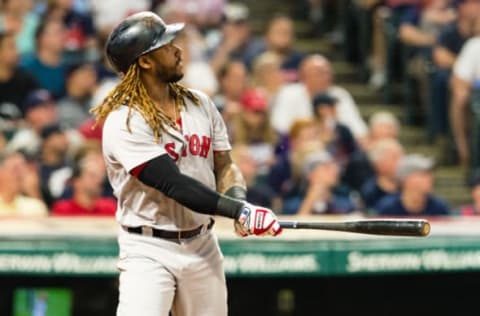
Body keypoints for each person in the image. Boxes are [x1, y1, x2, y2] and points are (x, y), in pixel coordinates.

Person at [89, 12, 282, 316]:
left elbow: (224, 166)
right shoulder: (124, 121)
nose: (178, 49)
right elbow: (174, 184)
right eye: (166, 45)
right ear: (145, 62)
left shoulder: (200, 104)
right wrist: (239, 211)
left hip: (202, 244)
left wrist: (239, 202)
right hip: (148, 248)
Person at [270, 54, 368, 143]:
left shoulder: (339, 95)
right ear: (304, 76)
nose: (326, 77)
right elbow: (279, 127)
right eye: (320, 73)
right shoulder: (289, 93)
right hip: (298, 147)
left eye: (328, 73)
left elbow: (359, 131)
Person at [375, 154, 450, 216]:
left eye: (430, 174)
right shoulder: (387, 208)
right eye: (423, 174)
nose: (431, 178)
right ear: (407, 179)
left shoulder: (439, 208)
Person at [51, 152, 116, 216]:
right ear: (77, 181)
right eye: (92, 176)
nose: (99, 180)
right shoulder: (62, 210)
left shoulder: (109, 208)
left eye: (100, 176)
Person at [361, 139, 404, 211]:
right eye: (395, 157)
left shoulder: (408, 186)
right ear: (378, 163)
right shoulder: (369, 191)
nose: (402, 161)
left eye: (402, 156)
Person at [0, 151, 48, 217]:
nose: (20, 175)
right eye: (15, 169)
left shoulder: (35, 206)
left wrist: (33, 191)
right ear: (1, 172)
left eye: (23, 169)